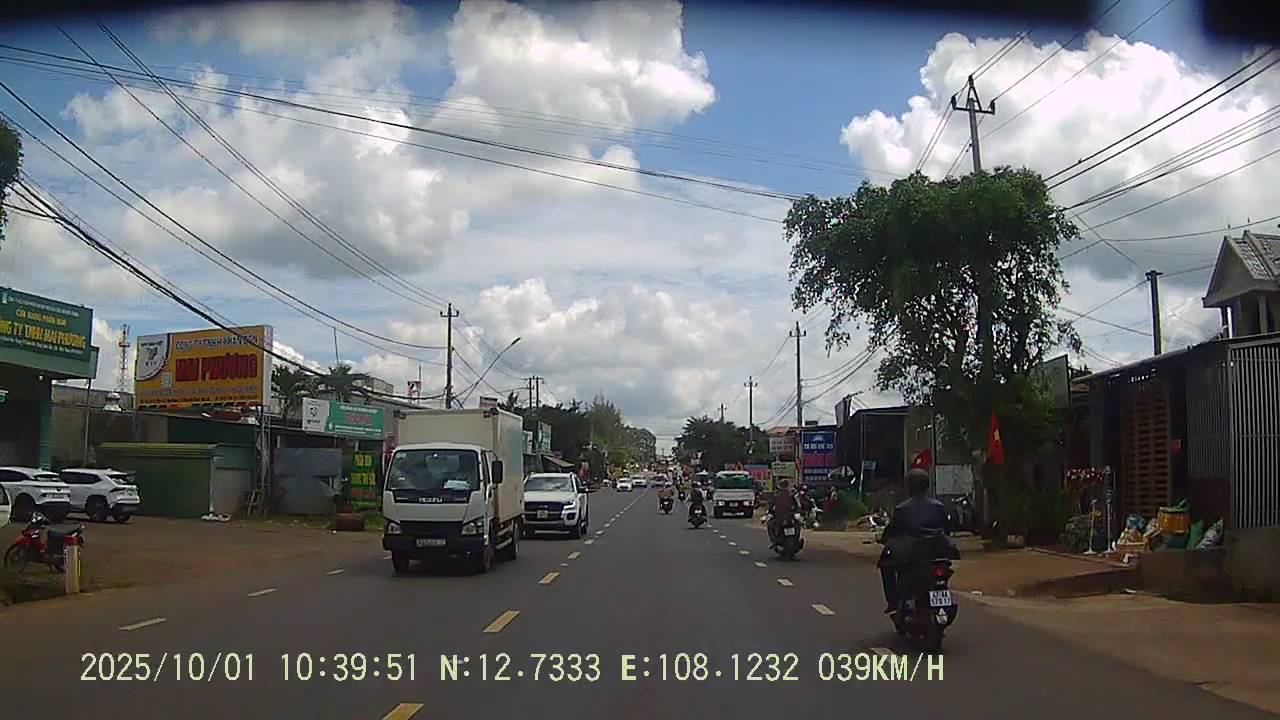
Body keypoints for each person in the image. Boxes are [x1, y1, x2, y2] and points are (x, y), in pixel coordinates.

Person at [877, 468, 951, 614]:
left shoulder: (902, 508)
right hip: (938, 552)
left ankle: (893, 601)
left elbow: (893, 530)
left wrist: (884, 539)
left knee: (886, 564)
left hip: (912, 556)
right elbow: (947, 527)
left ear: (909, 486)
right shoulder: (938, 506)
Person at [767, 479, 797, 543]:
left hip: (781, 517)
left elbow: (771, 506)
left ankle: (775, 540)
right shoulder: (791, 495)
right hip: (789, 516)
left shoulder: (777, 496)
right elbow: (796, 506)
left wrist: (770, 511)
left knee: (770, 525)